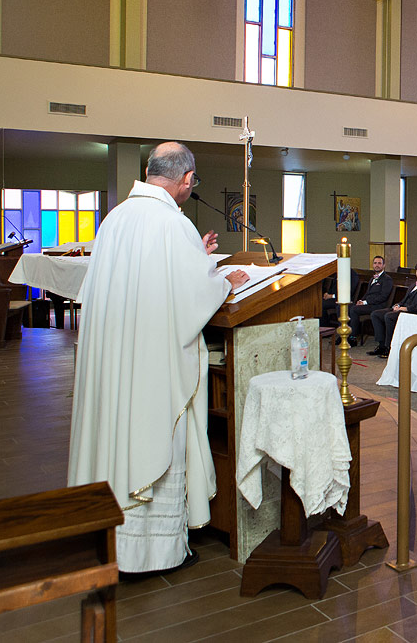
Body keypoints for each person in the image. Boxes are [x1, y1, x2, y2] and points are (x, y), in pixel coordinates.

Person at [68, 142, 249, 573]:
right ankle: (153, 551)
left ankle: (112, 540)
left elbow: (142, 281)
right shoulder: (172, 223)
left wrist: (195, 259)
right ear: (186, 180)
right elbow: (190, 298)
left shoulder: (115, 219)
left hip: (117, 360)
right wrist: (224, 280)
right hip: (151, 366)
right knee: (152, 434)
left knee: (117, 437)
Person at [369, 261, 417, 358]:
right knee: (376, 314)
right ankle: (381, 345)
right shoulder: (413, 285)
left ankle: (389, 348)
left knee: (389, 316)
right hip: (403, 310)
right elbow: (404, 300)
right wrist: (397, 305)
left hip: (415, 313)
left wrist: (406, 308)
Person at [349, 255, 394, 347]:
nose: (377, 265)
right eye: (375, 263)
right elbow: (368, 293)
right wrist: (361, 300)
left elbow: (383, 296)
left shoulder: (387, 279)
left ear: (384, 265)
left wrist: (365, 302)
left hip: (379, 305)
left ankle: (352, 337)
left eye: (379, 263)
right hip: (369, 304)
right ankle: (346, 334)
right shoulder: (372, 278)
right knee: (349, 306)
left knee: (354, 310)